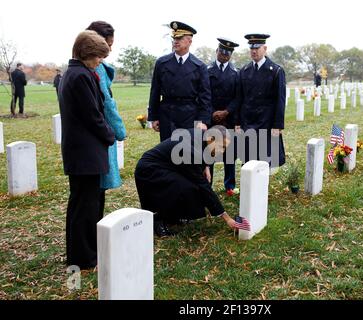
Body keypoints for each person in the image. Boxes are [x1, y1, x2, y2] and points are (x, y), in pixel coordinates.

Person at [58, 30, 115, 269]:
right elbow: (93, 115)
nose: (99, 62)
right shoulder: (81, 76)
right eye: (98, 57)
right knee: (85, 208)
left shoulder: (72, 73)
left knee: (80, 205)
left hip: (80, 152)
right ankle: (84, 257)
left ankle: (81, 253)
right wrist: (110, 135)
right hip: (86, 153)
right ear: (86, 53)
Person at [135, 127, 239, 237]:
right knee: (185, 187)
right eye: (221, 146)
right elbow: (203, 185)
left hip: (166, 167)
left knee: (189, 187)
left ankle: (173, 216)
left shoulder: (203, 135)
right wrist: (226, 218)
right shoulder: (190, 151)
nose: (221, 151)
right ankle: (157, 220)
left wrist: (206, 167)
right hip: (150, 171)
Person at [148, 21, 211, 141]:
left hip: (189, 115)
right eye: (174, 38)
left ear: (190, 41)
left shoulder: (199, 66)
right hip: (167, 114)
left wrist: (202, 121)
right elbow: (155, 92)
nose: (175, 41)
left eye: (180, 38)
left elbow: (205, 97)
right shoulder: (162, 63)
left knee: (186, 154)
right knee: (167, 152)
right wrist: (154, 116)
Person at [235, 34, 286, 168]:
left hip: (266, 122)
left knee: (265, 160)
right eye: (251, 48)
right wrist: (238, 122)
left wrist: (277, 125)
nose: (254, 51)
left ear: (265, 48)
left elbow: (280, 100)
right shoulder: (244, 71)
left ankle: (261, 188)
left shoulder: (275, 71)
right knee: (248, 159)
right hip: (248, 122)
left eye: (257, 48)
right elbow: (240, 98)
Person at [87, 21, 127, 191]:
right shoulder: (98, 68)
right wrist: (119, 131)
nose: (110, 50)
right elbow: (107, 103)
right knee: (95, 192)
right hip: (99, 134)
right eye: (108, 45)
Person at [207, 38, 240, 195]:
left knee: (229, 154)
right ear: (216, 51)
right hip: (211, 117)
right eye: (221, 51)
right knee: (210, 152)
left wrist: (226, 112)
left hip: (229, 118)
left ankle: (230, 186)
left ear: (231, 55)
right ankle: (208, 184)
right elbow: (204, 95)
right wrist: (213, 113)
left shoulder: (236, 73)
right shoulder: (206, 71)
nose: (224, 55)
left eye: (228, 52)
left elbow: (238, 97)